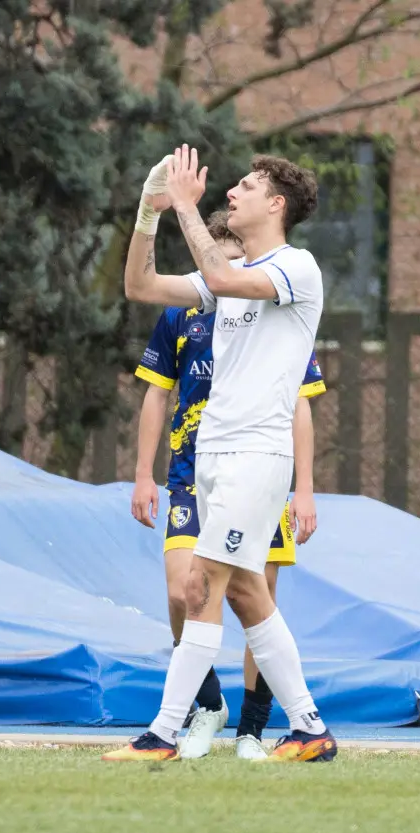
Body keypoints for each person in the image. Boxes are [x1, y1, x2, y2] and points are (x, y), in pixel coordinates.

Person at [104, 145, 336, 763]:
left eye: (246, 187)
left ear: (277, 204)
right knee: (246, 595)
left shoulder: (296, 267)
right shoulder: (229, 280)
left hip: (256, 457)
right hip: (211, 459)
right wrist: (149, 213)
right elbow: (140, 286)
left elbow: (227, 278)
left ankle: (162, 734)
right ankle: (310, 729)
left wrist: (185, 205)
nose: (230, 193)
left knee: (200, 587)